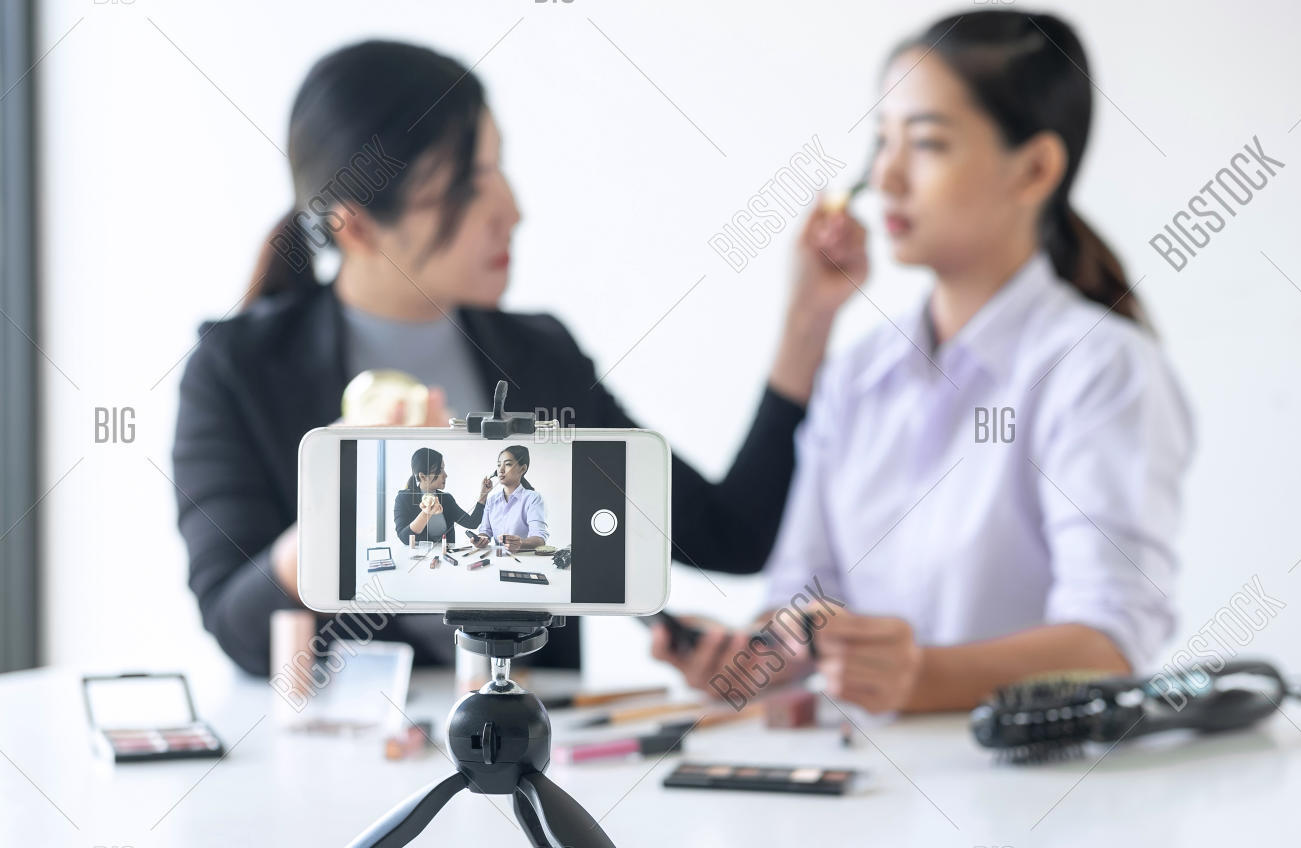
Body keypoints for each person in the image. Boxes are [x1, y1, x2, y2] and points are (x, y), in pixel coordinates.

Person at [171, 40, 818, 676]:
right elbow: (236, 626)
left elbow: (733, 535)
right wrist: (332, 520)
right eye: (465, 186)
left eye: (497, 168)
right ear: (357, 225)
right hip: (347, 740)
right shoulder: (236, 370)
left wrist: (808, 321)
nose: (512, 211)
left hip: (529, 733)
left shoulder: (539, 355)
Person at [654, 10, 1195, 714]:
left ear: (1035, 169)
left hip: (1028, 775)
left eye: (928, 143)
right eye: (882, 142)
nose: (886, 176)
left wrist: (923, 677)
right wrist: (753, 657)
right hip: (864, 772)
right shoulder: (855, 373)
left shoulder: (1101, 369)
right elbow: (806, 601)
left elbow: (1110, 642)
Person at [392, 447, 489, 544]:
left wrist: (483, 494)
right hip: (419, 554)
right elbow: (405, 538)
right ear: (423, 476)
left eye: (443, 469)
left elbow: (472, 523)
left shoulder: (446, 499)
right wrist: (426, 513)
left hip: (446, 553)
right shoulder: (404, 498)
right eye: (440, 470)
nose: (445, 475)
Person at [475, 445, 547, 552]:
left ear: (522, 469)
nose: (501, 470)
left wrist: (520, 543)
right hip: (498, 558)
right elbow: (485, 532)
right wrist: (480, 539)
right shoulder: (492, 500)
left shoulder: (533, 498)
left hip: (524, 558)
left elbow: (540, 539)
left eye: (508, 464)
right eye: (499, 465)